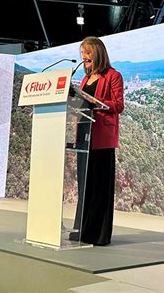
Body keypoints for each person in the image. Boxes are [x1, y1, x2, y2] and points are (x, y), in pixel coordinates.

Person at [71, 36, 124, 246]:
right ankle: (84, 229)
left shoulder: (113, 76)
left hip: (102, 137)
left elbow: (118, 105)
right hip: (84, 135)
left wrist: (97, 102)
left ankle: (98, 234)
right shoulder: (86, 79)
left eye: (87, 52)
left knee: (99, 186)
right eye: (82, 53)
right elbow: (81, 103)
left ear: (98, 53)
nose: (84, 57)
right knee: (86, 186)